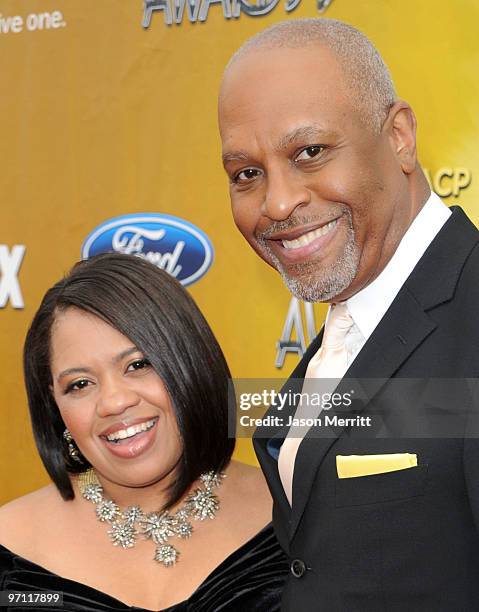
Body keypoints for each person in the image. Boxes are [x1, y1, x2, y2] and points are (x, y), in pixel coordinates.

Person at [218, 17, 479, 611]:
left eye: (310, 151)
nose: (277, 202)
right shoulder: (351, 326)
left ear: (399, 136)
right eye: (246, 174)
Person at [0, 253, 288, 611]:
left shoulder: (294, 514)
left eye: (138, 365)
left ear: (190, 362)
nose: (114, 401)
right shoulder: (10, 549)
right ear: (55, 406)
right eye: (79, 384)